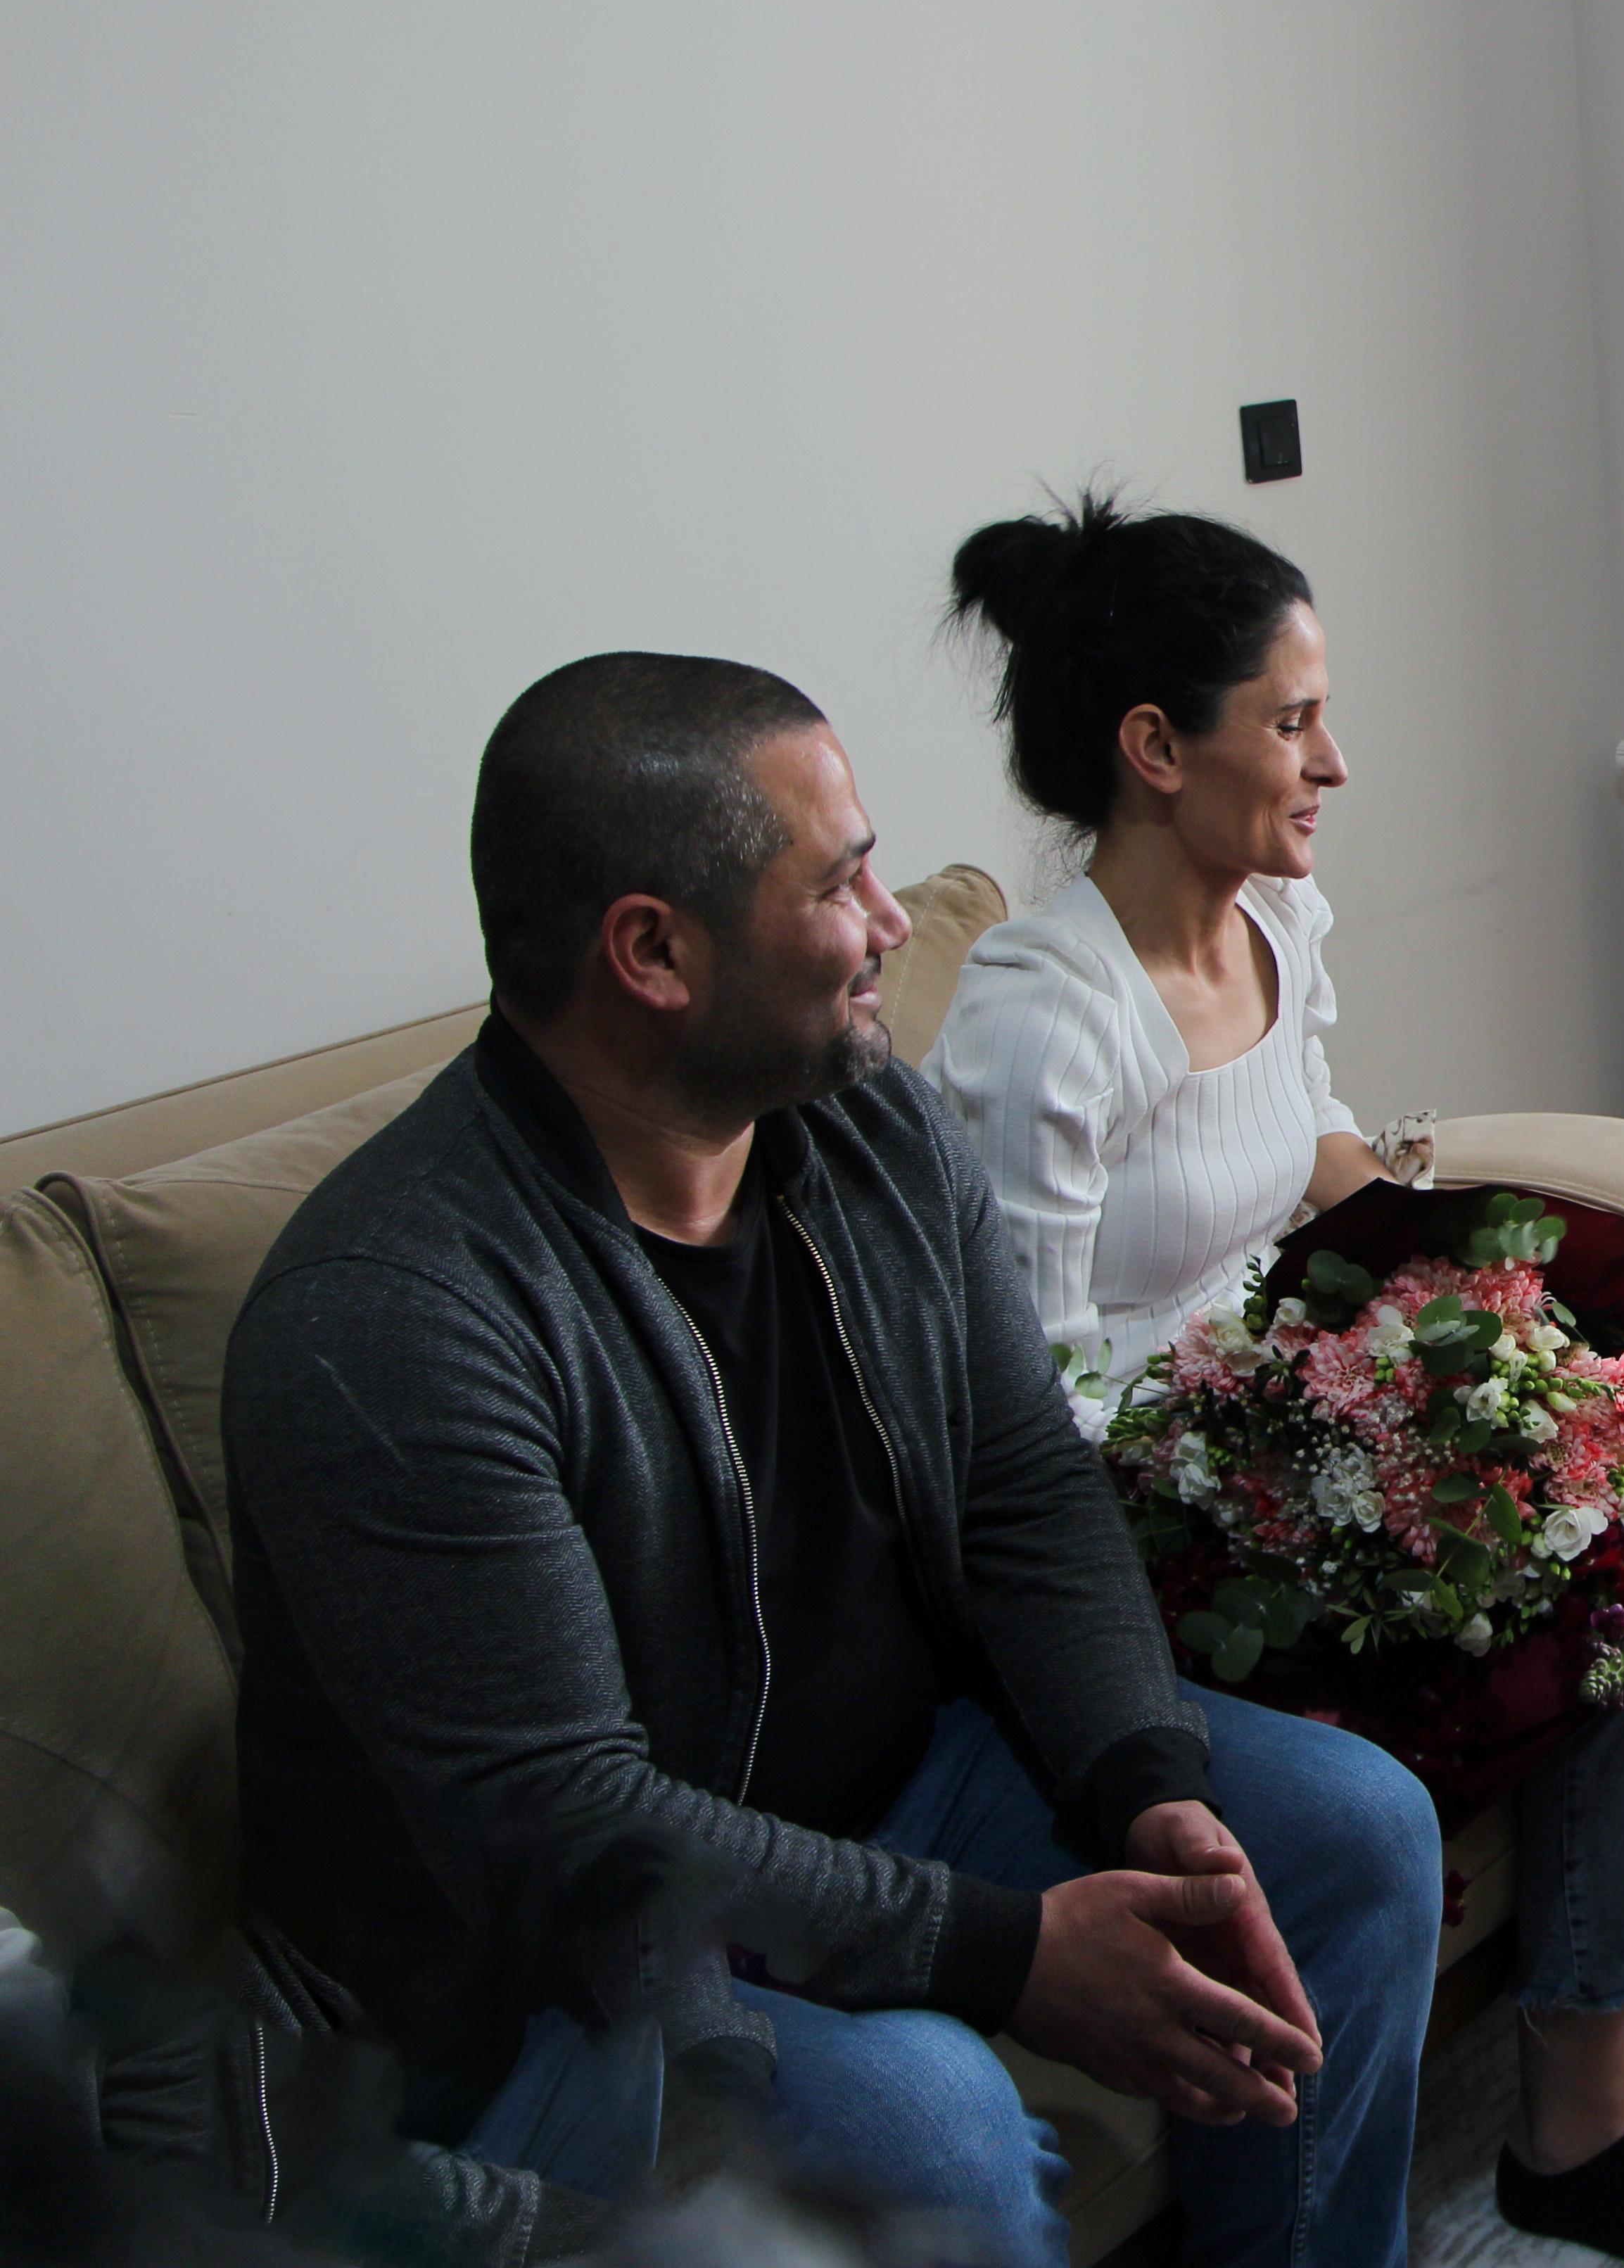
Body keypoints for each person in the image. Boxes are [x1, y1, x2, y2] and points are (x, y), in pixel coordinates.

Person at [222, 654, 1447, 2268]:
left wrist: (1143, 1782)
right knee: (930, 2122)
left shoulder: (868, 1125)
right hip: (557, 1966)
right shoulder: (395, 1313)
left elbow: (1021, 1479)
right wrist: (1004, 1953)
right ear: (652, 951)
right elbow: (569, 1827)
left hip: (900, 1779)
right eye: (839, 883)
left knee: (1354, 1832)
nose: (890, 923)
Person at [923, 498, 1624, 2268]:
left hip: (1296, 1427)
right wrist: (1333, 1455)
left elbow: (1311, 1148)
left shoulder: (1274, 917)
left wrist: (1486, 1329)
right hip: (1146, 1526)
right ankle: (1577, 2132)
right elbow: (1024, 1403)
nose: (1335, 763)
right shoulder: (1040, 1016)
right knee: (1592, 1583)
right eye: (1293, 721)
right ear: (1156, 748)